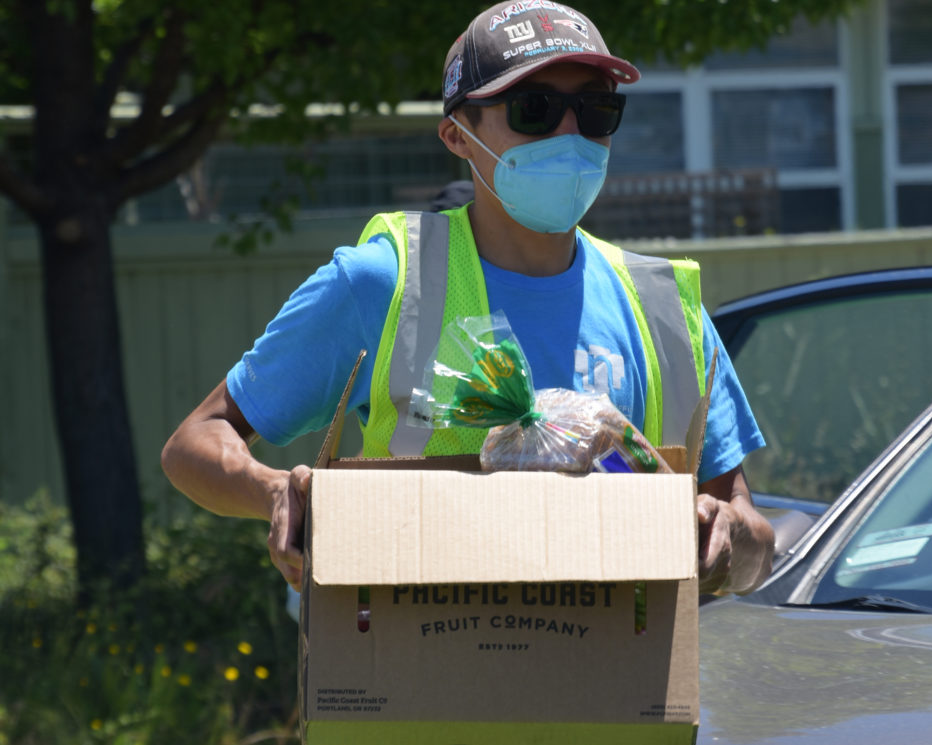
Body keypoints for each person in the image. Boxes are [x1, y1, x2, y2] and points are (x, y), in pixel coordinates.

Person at [161, 2, 775, 598]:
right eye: (534, 110)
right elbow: (194, 443)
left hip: (614, 692)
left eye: (594, 111)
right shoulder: (383, 282)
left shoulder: (664, 306)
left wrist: (732, 539)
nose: (569, 134)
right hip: (418, 681)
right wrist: (270, 490)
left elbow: (752, 540)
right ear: (457, 135)